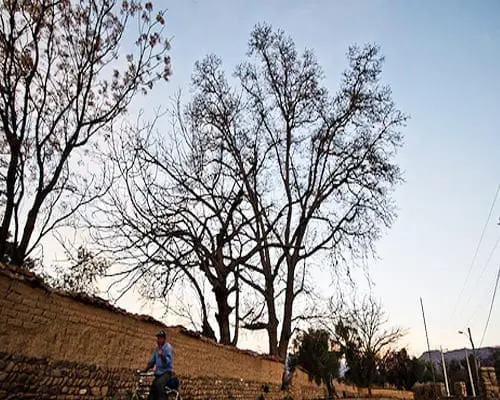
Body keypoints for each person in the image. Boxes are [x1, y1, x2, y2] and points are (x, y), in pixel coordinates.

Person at [144, 330, 174, 400]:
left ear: (164, 339)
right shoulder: (156, 348)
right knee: (153, 389)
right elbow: (152, 361)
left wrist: (162, 355)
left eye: (160, 338)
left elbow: (167, 361)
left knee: (159, 384)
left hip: (166, 373)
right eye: (158, 338)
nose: (158, 340)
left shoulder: (168, 347)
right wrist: (145, 370)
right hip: (158, 374)